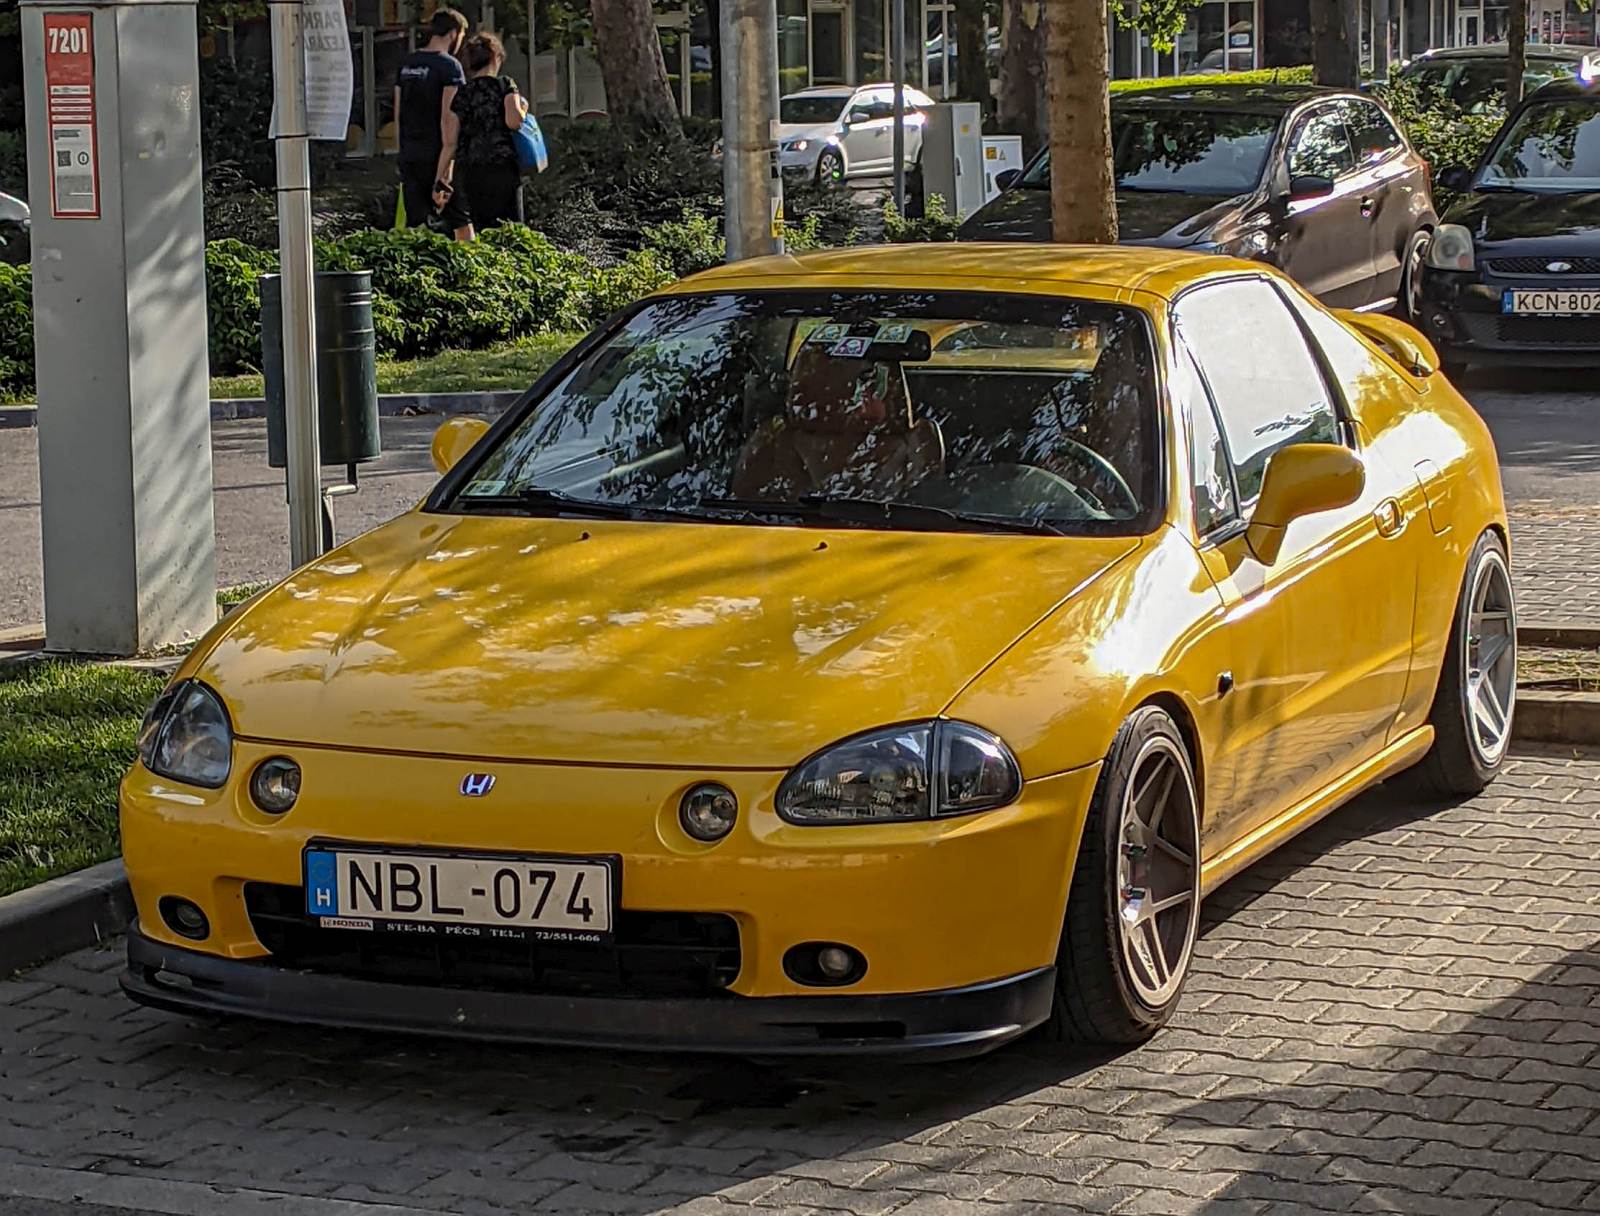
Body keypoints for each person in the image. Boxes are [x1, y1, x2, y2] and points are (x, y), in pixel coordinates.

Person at [393, 7, 473, 242]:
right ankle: (470, 274)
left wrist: (402, 155)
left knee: (416, 228)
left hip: (410, 155)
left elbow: (399, 116)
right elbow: (449, 124)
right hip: (437, 155)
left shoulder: (406, 64)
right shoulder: (449, 67)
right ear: (453, 34)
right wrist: (442, 177)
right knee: (461, 223)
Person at [445, 33, 528, 232]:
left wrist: (443, 176)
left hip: (471, 169)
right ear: (496, 57)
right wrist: (523, 108)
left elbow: (451, 140)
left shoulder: (463, 93)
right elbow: (514, 121)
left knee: (482, 226)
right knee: (510, 229)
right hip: (502, 165)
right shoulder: (505, 84)